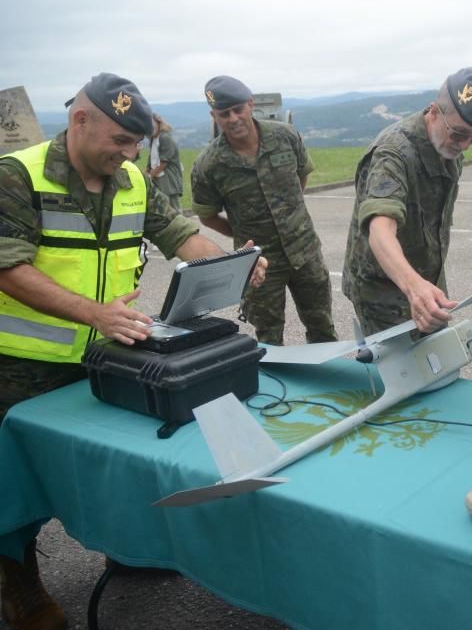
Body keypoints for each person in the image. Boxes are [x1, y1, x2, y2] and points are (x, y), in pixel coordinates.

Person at [0, 73, 266, 630]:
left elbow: (174, 231)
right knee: (14, 481)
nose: (128, 155)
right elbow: (8, 267)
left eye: (135, 144)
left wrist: (227, 263)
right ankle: (19, 584)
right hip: (22, 366)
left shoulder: (131, 179)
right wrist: (94, 312)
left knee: (110, 467)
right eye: (119, 141)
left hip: (107, 353)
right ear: (79, 121)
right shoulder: (16, 176)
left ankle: (125, 549)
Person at [342, 68, 472, 335]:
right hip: (383, 292)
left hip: (426, 279)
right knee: (398, 371)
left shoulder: (448, 146)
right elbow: (380, 229)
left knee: (436, 361)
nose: (465, 145)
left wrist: (423, 286)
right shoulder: (393, 154)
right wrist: (414, 287)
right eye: (460, 134)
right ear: (434, 112)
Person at [191, 75, 337, 346]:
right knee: (269, 337)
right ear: (214, 116)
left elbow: (300, 176)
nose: (233, 118)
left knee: (322, 325)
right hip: (259, 263)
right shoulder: (209, 165)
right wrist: (244, 231)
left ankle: (331, 383)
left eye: (238, 109)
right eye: (224, 113)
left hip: (304, 250)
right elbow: (207, 216)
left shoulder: (285, 136)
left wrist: (288, 213)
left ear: (250, 104)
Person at [146, 113, 184, 212]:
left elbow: (164, 162)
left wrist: (149, 176)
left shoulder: (165, 138)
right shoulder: (153, 139)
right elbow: (151, 157)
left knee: (172, 207)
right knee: (161, 206)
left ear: (158, 123)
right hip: (157, 177)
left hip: (168, 177)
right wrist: (146, 173)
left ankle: (179, 226)